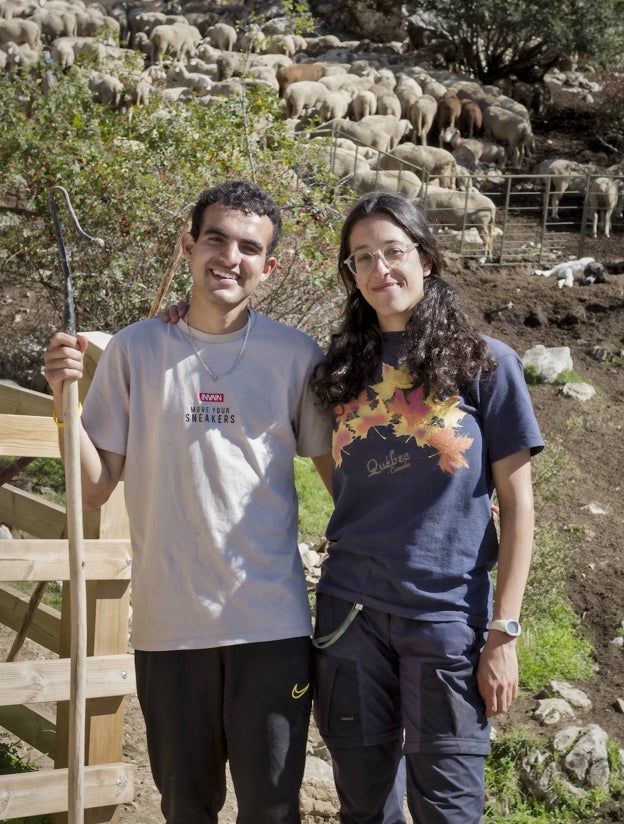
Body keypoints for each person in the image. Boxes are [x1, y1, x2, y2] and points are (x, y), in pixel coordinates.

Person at [44, 180, 334, 824]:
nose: (229, 256)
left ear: (269, 267)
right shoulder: (135, 349)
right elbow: (94, 488)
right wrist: (65, 405)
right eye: (216, 239)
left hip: (272, 626)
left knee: (272, 809)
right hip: (170, 628)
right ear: (189, 245)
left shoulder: (296, 357)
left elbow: (346, 483)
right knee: (186, 807)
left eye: (248, 247)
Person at [308, 191, 544, 824]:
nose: (380, 269)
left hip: (447, 619)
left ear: (427, 259)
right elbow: (336, 474)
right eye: (362, 258)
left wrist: (505, 632)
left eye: (393, 251)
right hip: (349, 616)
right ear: (351, 276)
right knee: (364, 805)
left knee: (449, 806)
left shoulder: (486, 364)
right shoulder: (337, 372)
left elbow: (518, 503)